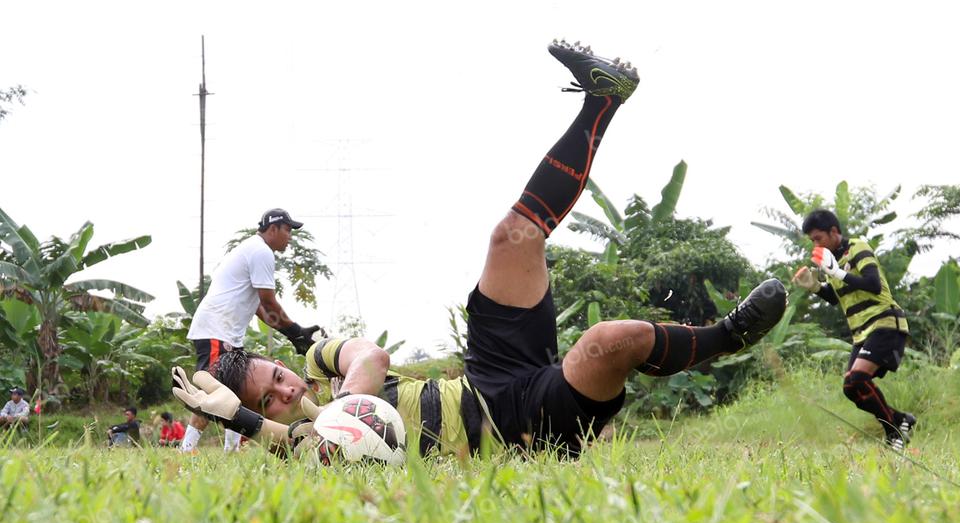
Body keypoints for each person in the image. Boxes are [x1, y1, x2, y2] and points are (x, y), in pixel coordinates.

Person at [171, 40, 788, 458]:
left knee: (511, 237)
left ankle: (603, 99)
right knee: (609, 341)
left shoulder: (315, 371)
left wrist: (344, 387)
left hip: (487, 369)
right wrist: (247, 422)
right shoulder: (306, 444)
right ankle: (724, 339)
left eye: (276, 376)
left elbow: (371, 354)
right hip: (516, 420)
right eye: (268, 399)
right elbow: (327, 455)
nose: (284, 390)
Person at [182, 208, 324, 453]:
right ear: (273, 228)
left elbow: (260, 308)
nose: (290, 237)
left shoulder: (253, 248)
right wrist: (296, 332)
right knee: (215, 389)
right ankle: (187, 448)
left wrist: (292, 333)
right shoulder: (261, 251)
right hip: (217, 329)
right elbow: (268, 301)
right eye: (288, 230)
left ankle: (231, 448)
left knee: (238, 390)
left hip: (225, 331)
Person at [791, 209, 916, 450]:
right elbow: (836, 296)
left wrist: (836, 272)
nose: (815, 244)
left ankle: (894, 433)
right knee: (852, 388)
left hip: (884, 322)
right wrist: (815, 286)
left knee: (858, 379)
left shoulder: (857, 247)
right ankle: (901, 420)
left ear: (834, 232)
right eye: (812, 241)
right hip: (861, 332)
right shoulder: (831, 260)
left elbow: (873, 284)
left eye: (818, 238)